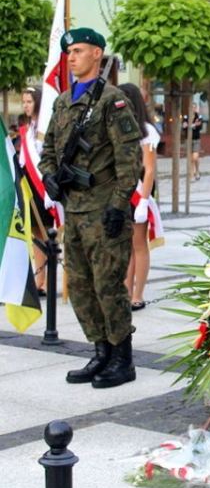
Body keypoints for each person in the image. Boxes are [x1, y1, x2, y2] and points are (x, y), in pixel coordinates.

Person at [38, 28, 143, 389]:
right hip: (76, 210)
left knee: (108, 285)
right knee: (81, 286)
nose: (71, 58)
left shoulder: (112, 100)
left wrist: (118, 206)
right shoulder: (63, 101)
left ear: (97, 54)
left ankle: (121, 358)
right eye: (69, 52)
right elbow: (49, 149)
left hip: (104, 208)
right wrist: (50, 176)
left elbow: (130, 159)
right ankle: (100, 352)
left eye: (79, 51)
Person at [118, 83, 160, 311]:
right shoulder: (120, 126)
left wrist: (143, 200)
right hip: (122, 193)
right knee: (125, 246)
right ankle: (125, 291)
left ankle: (138, 294)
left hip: (139, 193)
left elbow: (150, 169)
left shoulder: (146, 130)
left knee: (138, 245)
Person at [18, 86, 55, 297]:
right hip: (30, 187)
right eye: (23, 102)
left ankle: (47, 280)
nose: (25, 106)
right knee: (35, 235)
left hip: (44, 188)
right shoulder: (26, 128)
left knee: (48, 234)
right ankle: (39, 279)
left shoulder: (44, 128)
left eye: (29, 102)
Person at [182, 103, 203, 180]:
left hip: (196, 139)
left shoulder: (199, 116)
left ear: (196, 108)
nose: (193, 109)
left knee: (195, 157)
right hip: (188, 139)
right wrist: (194, 125)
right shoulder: (186, 117)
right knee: (190, 158)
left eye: (194, 107)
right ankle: (192, 175)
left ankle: (197, 170)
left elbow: (200, 126)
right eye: (191, 107)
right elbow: (184, 126)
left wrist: (190, 125)